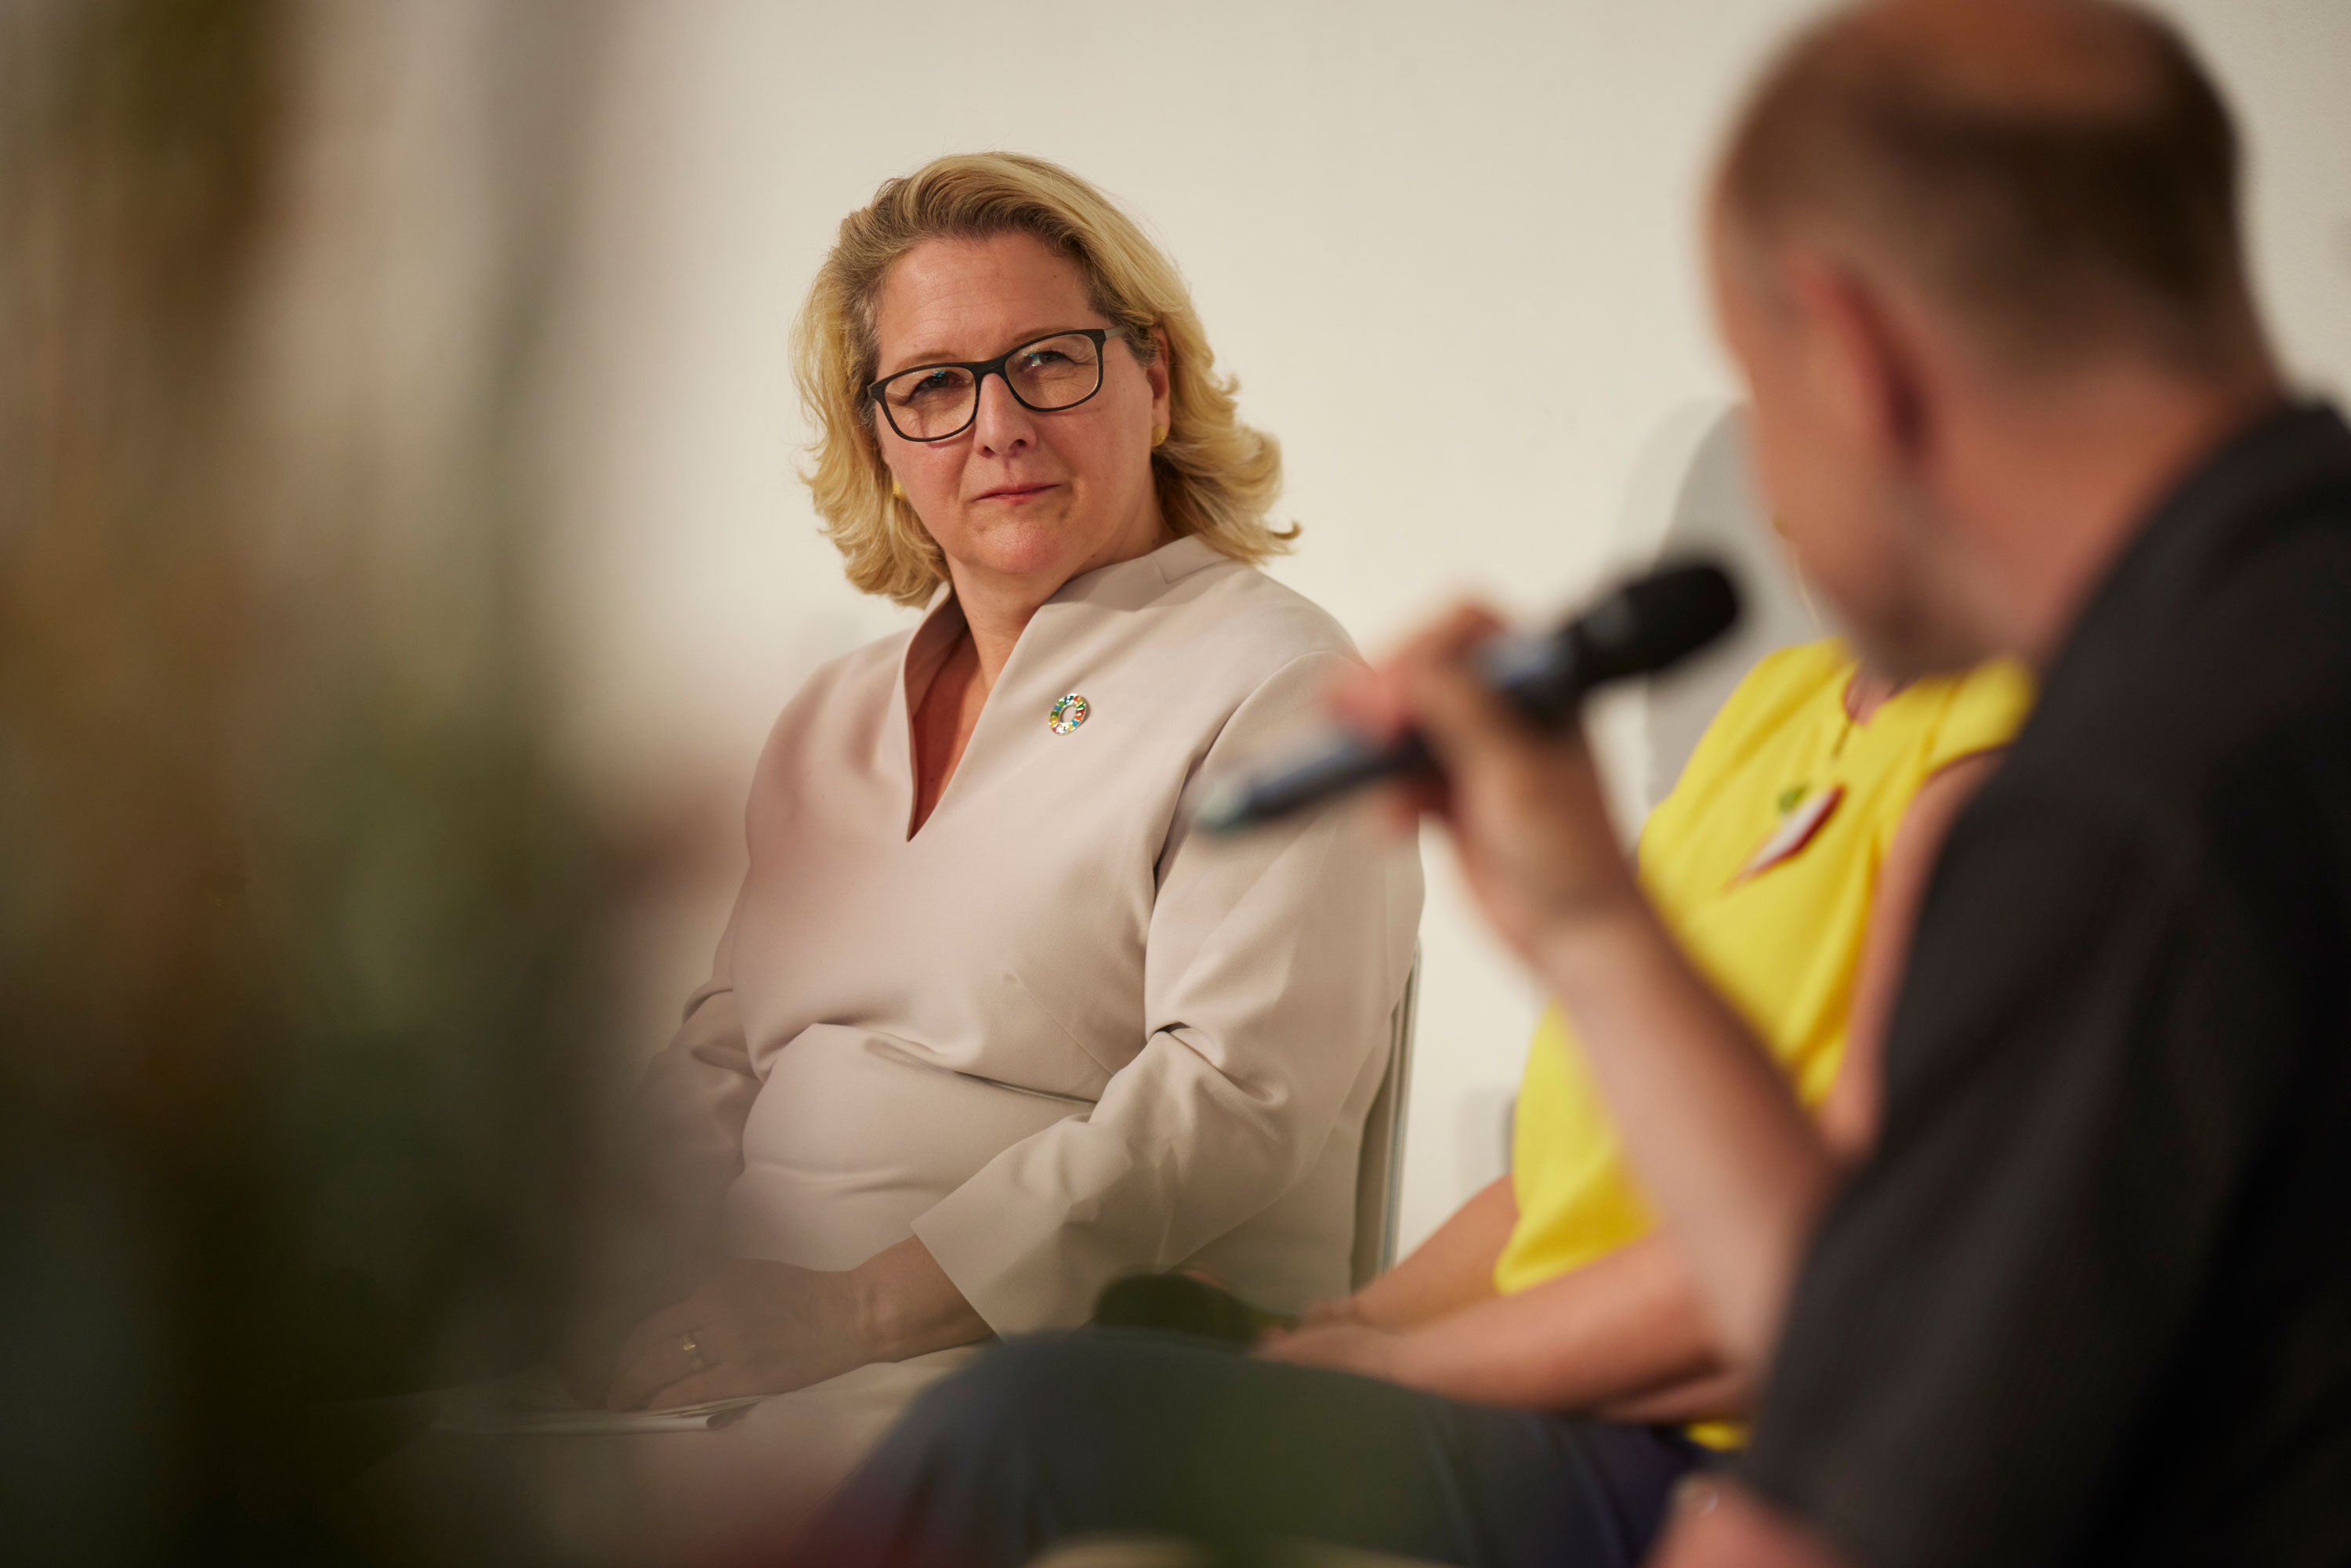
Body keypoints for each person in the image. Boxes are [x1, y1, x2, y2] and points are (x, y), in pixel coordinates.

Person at [1333, 2, 2350, 1564]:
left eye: (1756, 384)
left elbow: (1840, 1515)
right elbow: (1871, 1329)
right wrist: (1591, 917)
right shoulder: (2274, 641)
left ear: (1850, 349)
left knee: (1027, 1429)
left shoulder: (2124, 802)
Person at [570, 151, 1422, 1552]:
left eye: (1049, 361)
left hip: (1051, 1388)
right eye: (936, 385)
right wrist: (609, 1289)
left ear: (1151, 375)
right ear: (882, 439)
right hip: (738, 1377)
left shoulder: (1278, 679)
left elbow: (1231, 1102)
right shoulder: (830, 717)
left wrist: (845, 1309)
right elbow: (722, 1053)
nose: (1000, 425)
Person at [790, 633, 2031, 1568]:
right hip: (1582, 1388)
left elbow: (1807, 1279)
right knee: (1117, 1349)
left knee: (1022, 1420)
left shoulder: (2002, 748)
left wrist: (1398, 1370)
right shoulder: (1782, 702)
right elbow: (1563, 1185)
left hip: (1725, 1456)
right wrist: (1341, 1329)